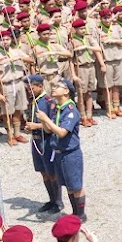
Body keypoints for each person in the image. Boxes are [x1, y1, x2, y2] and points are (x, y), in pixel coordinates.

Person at [33, 78, 86, 221]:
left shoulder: (70, 110)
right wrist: (43, 121)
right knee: (68, 185)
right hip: (58, 152)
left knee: (75, 185)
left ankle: (80, 214)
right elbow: (48, 130)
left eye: (58, 86)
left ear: (66, 91)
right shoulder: (57, 108)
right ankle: (74, 213)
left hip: (70, 153)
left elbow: (62, 132)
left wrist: (46, 119)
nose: (54, 88)